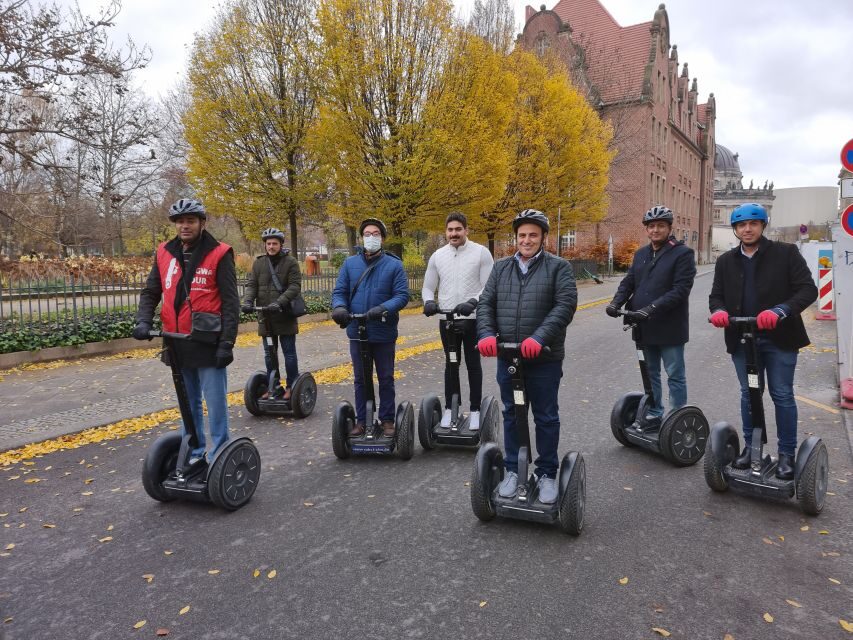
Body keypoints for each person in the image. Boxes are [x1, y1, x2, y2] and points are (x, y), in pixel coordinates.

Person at [709, 203, 818, 479]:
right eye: (741, 225)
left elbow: (807, 289)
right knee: (749, 395)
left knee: (781, 395)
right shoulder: (725, 261)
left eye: (753, 224)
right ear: (735, 229)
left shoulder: (785, 253)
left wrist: (780, 310)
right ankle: (751, 448)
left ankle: (786, 455)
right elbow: (716, 296)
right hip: (743, 339)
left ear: (762, 226)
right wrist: (718, 311)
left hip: (779, 338)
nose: (747, 229)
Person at [476, 209, 577, 504]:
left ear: (544, 237)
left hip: (543, 356)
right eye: (522, 235)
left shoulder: (559, 268)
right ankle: (512, 470)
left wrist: (539, 337)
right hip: (509, 356)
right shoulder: (501, 268)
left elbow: (565, 305)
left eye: (533, 234)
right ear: (516, 238)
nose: (527, 240)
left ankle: (546, 473)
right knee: (511, 413)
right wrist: (485, 334)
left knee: (545, 416)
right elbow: (486, 304)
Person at [133, 198, 240, 465]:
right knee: (187, 403)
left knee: (215, 405)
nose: (184, 226)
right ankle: (193, 453)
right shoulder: (164, 252)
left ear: (202, 223)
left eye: (190, 220)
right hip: (176, 341)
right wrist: (143, 321)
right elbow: (151, 291)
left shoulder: (220, 253)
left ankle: (219, 457)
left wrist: (227, 343)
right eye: (180, 221)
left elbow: (230, 302)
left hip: (207, 341)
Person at [605, 205, 696, 428]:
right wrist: (616, 302)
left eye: (660, 226)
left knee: (674, 373)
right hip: (642, 325)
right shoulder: (641, 254)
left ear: (669, 228)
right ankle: (655, 411)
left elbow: (680, 290)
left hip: (670, 326)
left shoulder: (682, 253)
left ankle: (677, 417)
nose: (655, 230)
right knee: (650, 372)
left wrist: (651, 308)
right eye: (651, 226)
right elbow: (629, 282)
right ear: (646, 229)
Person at [331, 218, 410, 437]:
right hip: (357, 330)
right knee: (360, 378)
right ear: (361, 238)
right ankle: (362, 421)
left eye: (376, 234)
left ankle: (387, 420)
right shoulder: (349, 264)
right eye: (367, 234)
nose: (371, 238)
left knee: (385, 377)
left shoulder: (394, 265)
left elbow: (402, 296)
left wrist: (383, 309)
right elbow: (339, 292)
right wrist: (339, 308)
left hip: (383, 330)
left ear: (382, 238)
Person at [422, 212, 494, 429]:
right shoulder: (437, 256)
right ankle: (450, 408)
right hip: (447, 319)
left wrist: (473, 302)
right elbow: (427, 286)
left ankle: (474, 410)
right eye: (450, 230)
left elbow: (488, 287)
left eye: (458, 229)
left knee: (473, 364)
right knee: (451, 364)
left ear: (466, 230)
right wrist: (428, 302)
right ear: (446, 232)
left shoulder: (481, 253)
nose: (454, 233)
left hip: (471, 319)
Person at [241, 227, 302, 400]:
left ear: (281, 244)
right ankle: (273, 386)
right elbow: (252, 285)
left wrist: (279, 302)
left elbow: (295, 286)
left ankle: (292, 386)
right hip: (265, 317)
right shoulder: (259, 263)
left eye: (275, 243)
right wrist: (247, 301)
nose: (271, 246)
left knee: (288, 352)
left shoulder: (290, 262)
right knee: (269, 353)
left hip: (284, 314)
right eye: (268, 243)